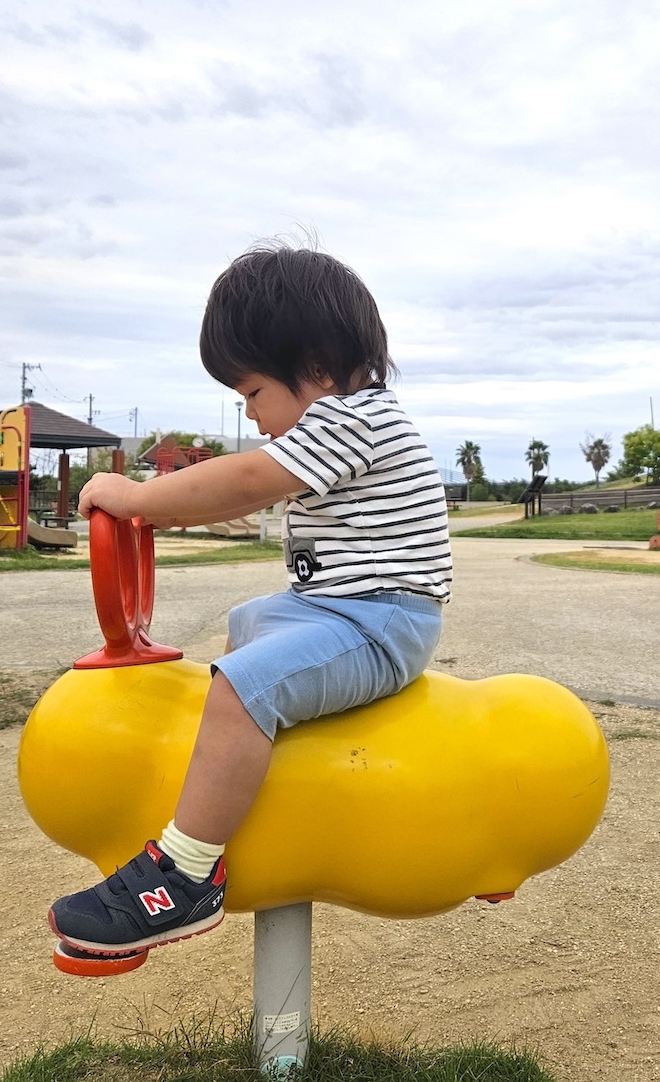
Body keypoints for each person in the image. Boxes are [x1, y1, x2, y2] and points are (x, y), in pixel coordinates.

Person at [48, 244, 451, 957]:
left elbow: (242, 483)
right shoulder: (341, 417)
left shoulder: (352, 420)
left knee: (243, 684)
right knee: (250, 623)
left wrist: (138, 500)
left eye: (255, 394)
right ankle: (228, 778)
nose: (256, 418)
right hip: (337, 607)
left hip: (384, 622)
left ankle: (185, 875)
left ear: (318, 369)